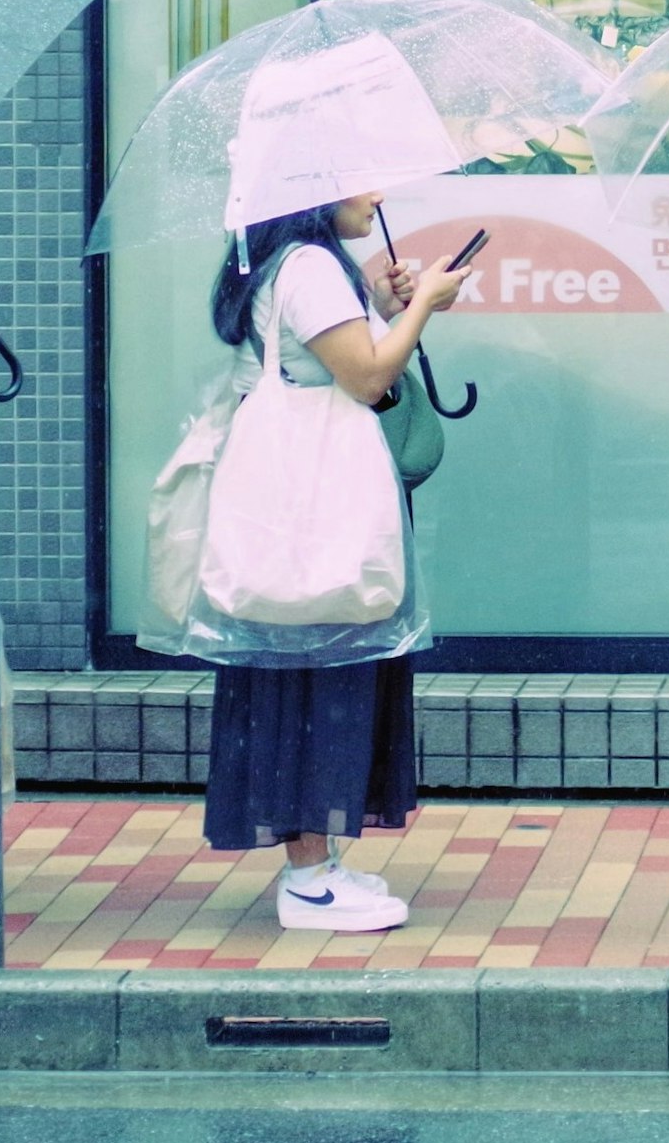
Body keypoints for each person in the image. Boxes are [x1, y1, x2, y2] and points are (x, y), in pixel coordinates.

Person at [194, 194, 466, 935]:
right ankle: (308, 877)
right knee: (315, 677)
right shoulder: (309, 265)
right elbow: (367, 378)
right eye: (361, 180)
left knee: (308, 674)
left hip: (299, 505)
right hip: (318, 511)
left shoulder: (290, 263)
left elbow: (321, 360)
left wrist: (378, 301)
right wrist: (425, 307)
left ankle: (316, 863)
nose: (377, 196)